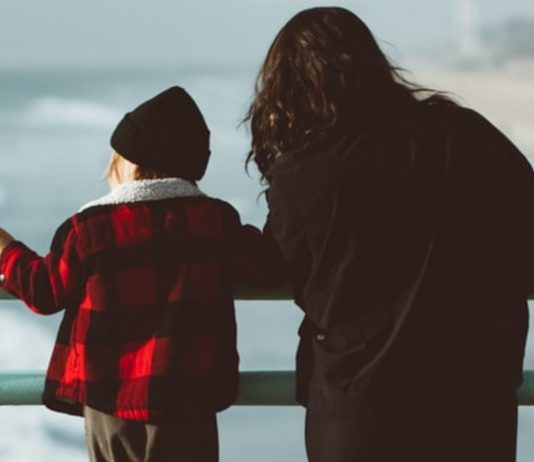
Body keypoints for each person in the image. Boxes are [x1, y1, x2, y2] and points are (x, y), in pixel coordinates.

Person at [245, 7, 534, 462]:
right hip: (474, 393)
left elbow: (281, 265)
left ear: (288, 87)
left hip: (358, 407)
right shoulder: (466, 136)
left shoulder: (303, 175)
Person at [0, 86, 280, 462]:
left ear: (129, 165)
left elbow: (44, 290)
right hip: (189, 403)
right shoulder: (216, 221)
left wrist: (6, 249)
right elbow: (267, 267)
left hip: (109, 401)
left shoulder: (89, 229)